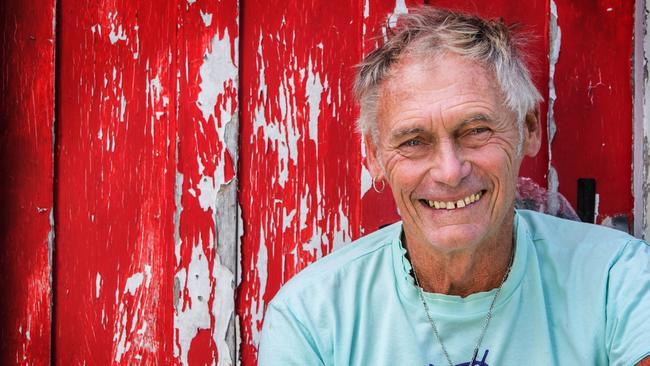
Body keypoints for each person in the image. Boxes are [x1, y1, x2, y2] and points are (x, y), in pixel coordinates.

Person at [258, 6, 650, 365]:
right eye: (413, 142)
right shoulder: (312, 317)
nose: (449, 171)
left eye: (477, 130)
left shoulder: (617, 281)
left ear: (527, 129)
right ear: (374, 157)